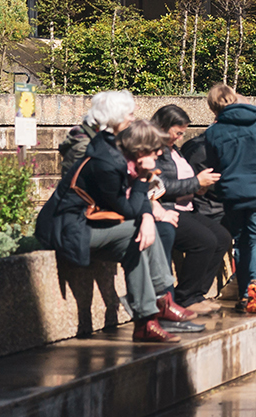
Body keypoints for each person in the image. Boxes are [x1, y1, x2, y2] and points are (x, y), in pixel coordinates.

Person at [34, 115, 203, 342]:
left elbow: (139, 205)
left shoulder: (122, 159)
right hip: (67, 230)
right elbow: (128, 208)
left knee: (137, 243)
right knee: (137, 231)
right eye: (154, 151)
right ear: (140, 151)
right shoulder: (107, 165)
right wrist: (144, 183)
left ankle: (147, 319)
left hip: (90, 224)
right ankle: (160, 301)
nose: (159, 155)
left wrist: (147, 216)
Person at [203, 83, 256, 314]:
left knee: (241, 241)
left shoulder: (213, 132)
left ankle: (244, 292)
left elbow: (213, 166)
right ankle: (255, 284)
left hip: (232, 194)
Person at [150, 104, 230, 313]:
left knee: (222, 237)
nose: (179, 137)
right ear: (164, 127)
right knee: (204, 241)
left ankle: (197, 293)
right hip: (168, 208)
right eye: (177, 132)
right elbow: (160, 186)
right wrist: (196, 182)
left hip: (187, 206)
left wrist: (200, 188)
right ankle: (186, 297)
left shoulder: (174, 149)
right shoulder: (153, 150)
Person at [56, 89, 135, 178]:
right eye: (130, 114)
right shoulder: (84, 147)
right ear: (115, 116)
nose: (133, 119)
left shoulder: (106, 140)